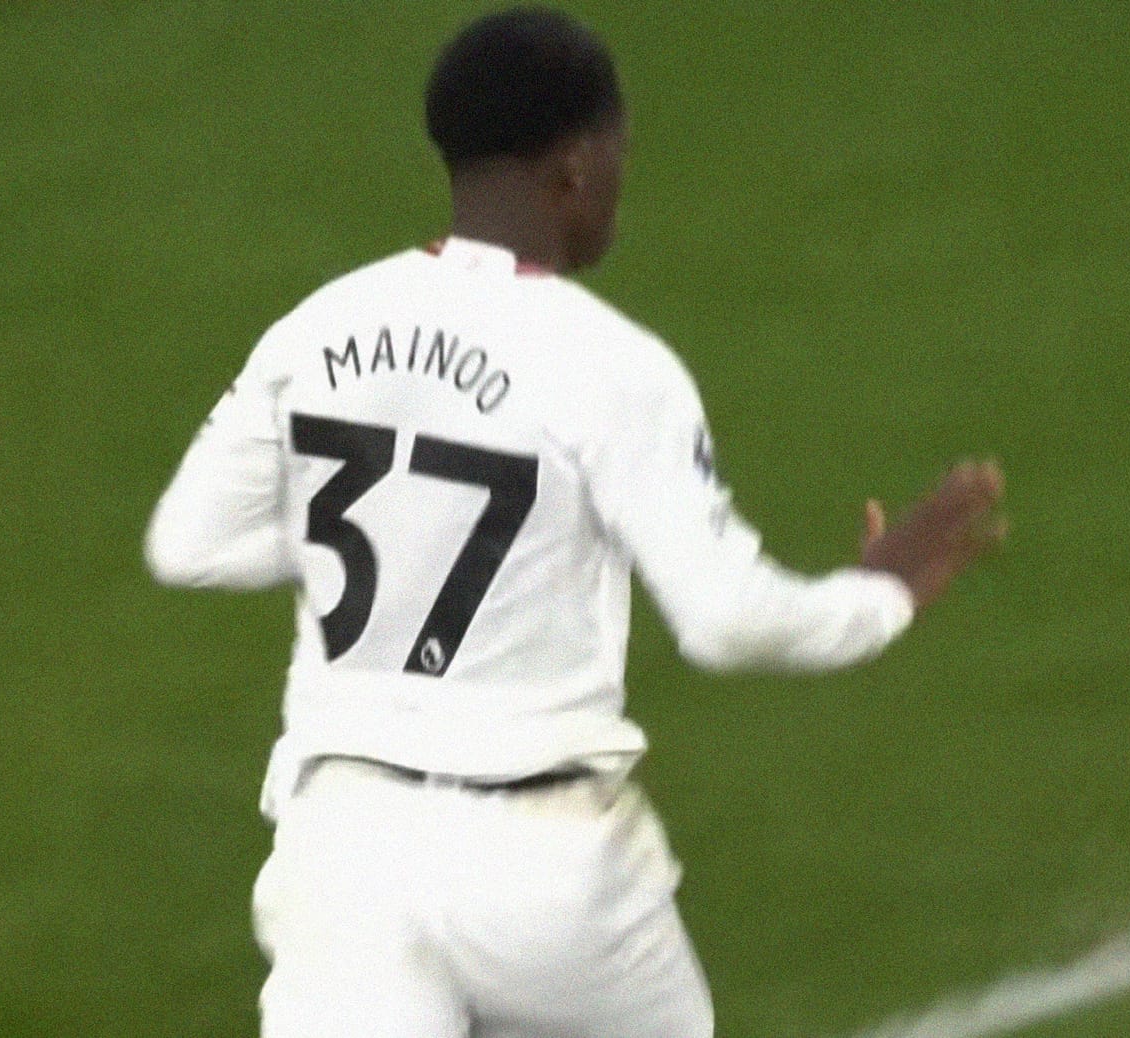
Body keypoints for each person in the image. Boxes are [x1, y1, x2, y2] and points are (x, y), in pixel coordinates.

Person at [144, 7, 1005, 1036]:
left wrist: (413, 529)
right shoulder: (611, 366)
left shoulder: (316, 326)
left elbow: (187, 543)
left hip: (342, 859)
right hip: (542, 874)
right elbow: (724, 621)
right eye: (619, 151)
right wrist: (878, 597)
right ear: (574, 167)